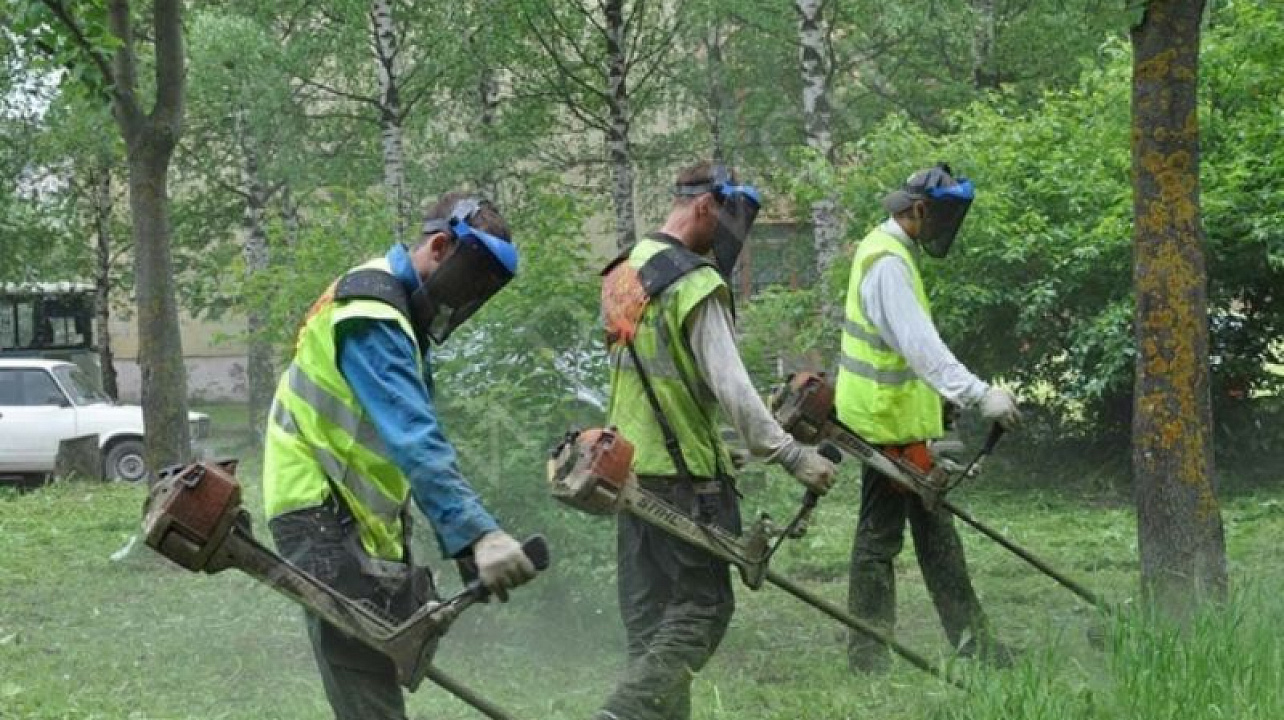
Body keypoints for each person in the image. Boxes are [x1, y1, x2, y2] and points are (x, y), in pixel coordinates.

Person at [262, 193, 537, 720]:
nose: (468, 300)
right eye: (469, 281)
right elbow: (414, 436)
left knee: (371, 690)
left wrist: (462, 553)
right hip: (323, 513)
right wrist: (478, 533)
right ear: (439, 246)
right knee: (368, 697)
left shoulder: (391, 313)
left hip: (346, 514)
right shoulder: (373, 310)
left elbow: (385, 447)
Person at [595, 162, 837, 720]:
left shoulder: (623, 274)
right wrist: (792, 455)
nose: (729, 240)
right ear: (704, 206)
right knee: (702, 610)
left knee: (652, 629)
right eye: (727, 223)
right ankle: (620, 714)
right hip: (687, 484)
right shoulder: (696, 283)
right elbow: (732, 387)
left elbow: (653, 382)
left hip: (628, 473)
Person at [836, 163, 1022, 673]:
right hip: (883, 425)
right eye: (940, 217)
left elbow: (909, 352)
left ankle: (971, 644)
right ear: (918, 209)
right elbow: (922, 349)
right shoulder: (888, 263)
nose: (944, 228)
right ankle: (868, 656)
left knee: (934, 529)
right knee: (879, 540)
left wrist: (946, 401)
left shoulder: (890, 251)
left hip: (898, 421)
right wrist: (981, 395)